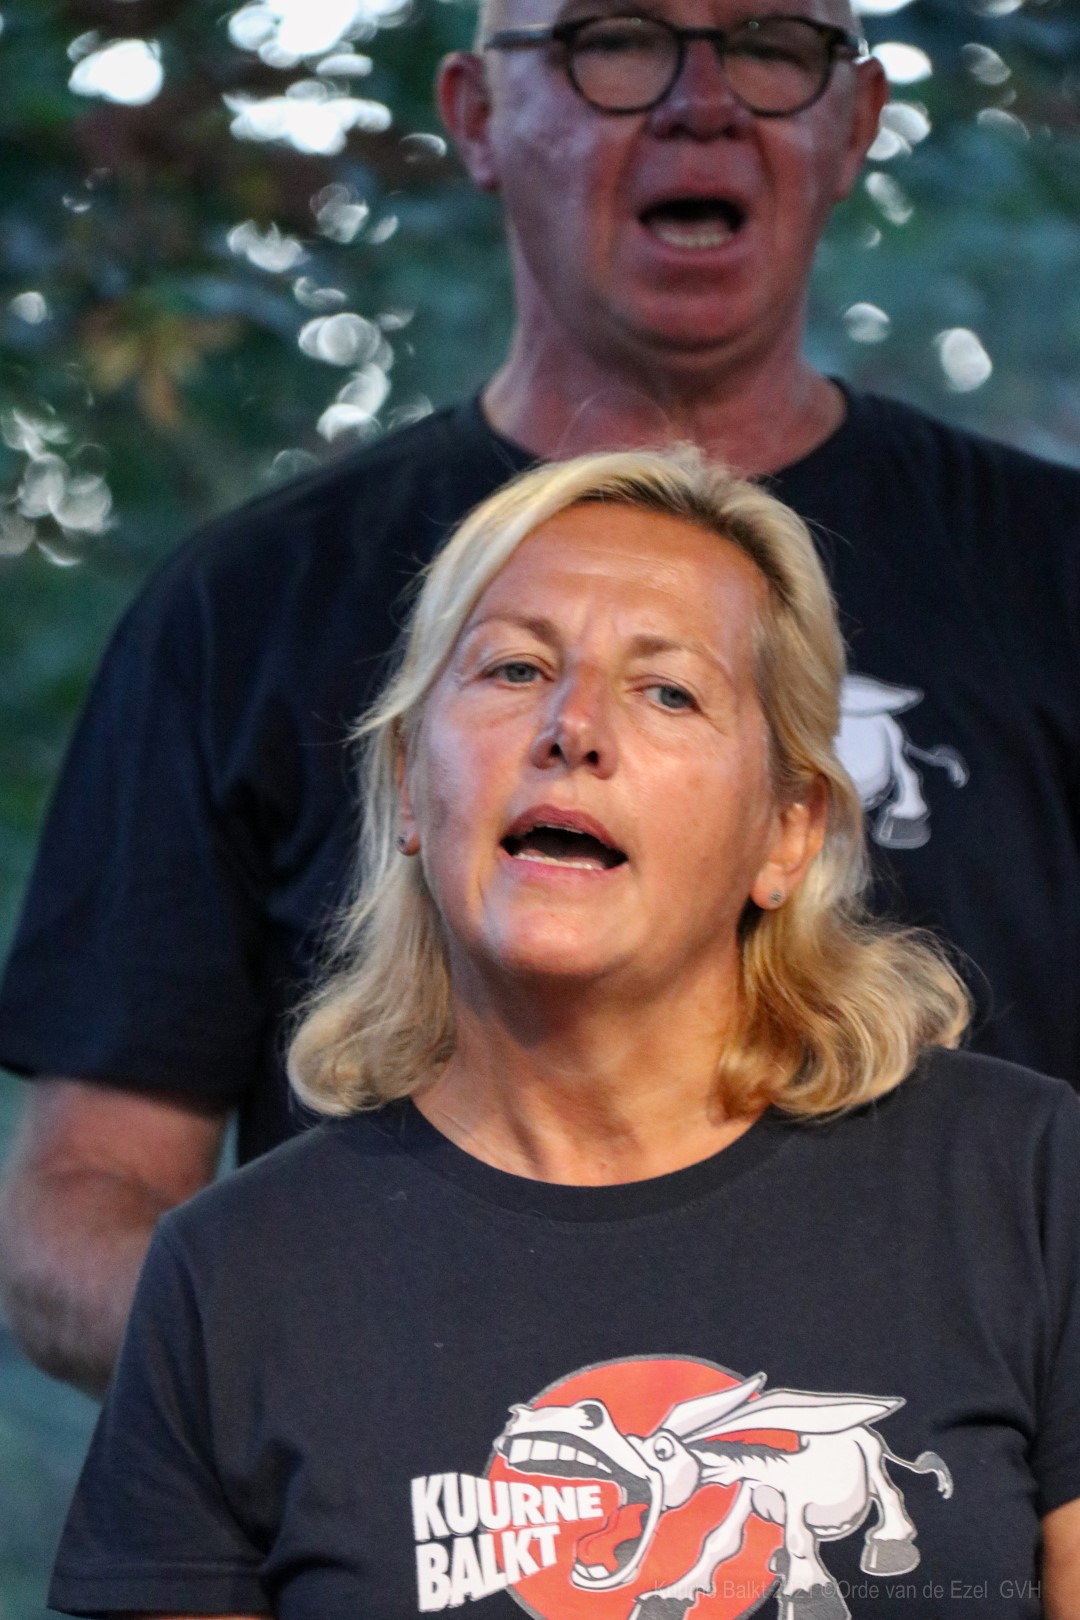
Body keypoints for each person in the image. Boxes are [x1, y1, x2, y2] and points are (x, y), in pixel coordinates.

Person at [2, 0, 1080, 1397]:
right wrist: (369, 1399)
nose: (702, 99)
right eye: (614, 39)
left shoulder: (1052, 575)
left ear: (856, 120)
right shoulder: (246, 606)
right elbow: (79, 1204)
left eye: (771, 43)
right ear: (475, 113)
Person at [46, 452, 1080, 1620]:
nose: (573, 726)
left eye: (668, 692)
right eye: (515, 668)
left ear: (786, 832)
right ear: (407, 784)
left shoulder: (1026, 1183)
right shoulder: (226, 1278)